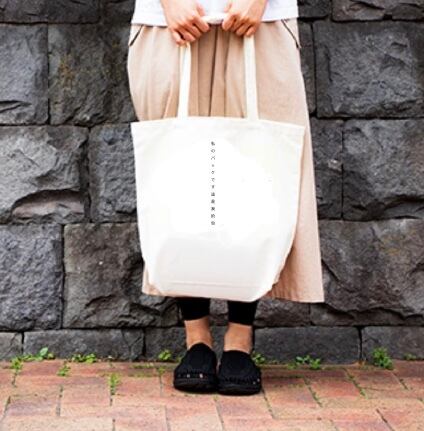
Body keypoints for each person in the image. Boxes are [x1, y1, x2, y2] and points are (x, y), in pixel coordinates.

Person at [127, 0, 324, 396]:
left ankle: (240, 338)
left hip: (263, 20)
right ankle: (196, 338)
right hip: (167, 22)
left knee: (260, 177)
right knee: (180, 181)